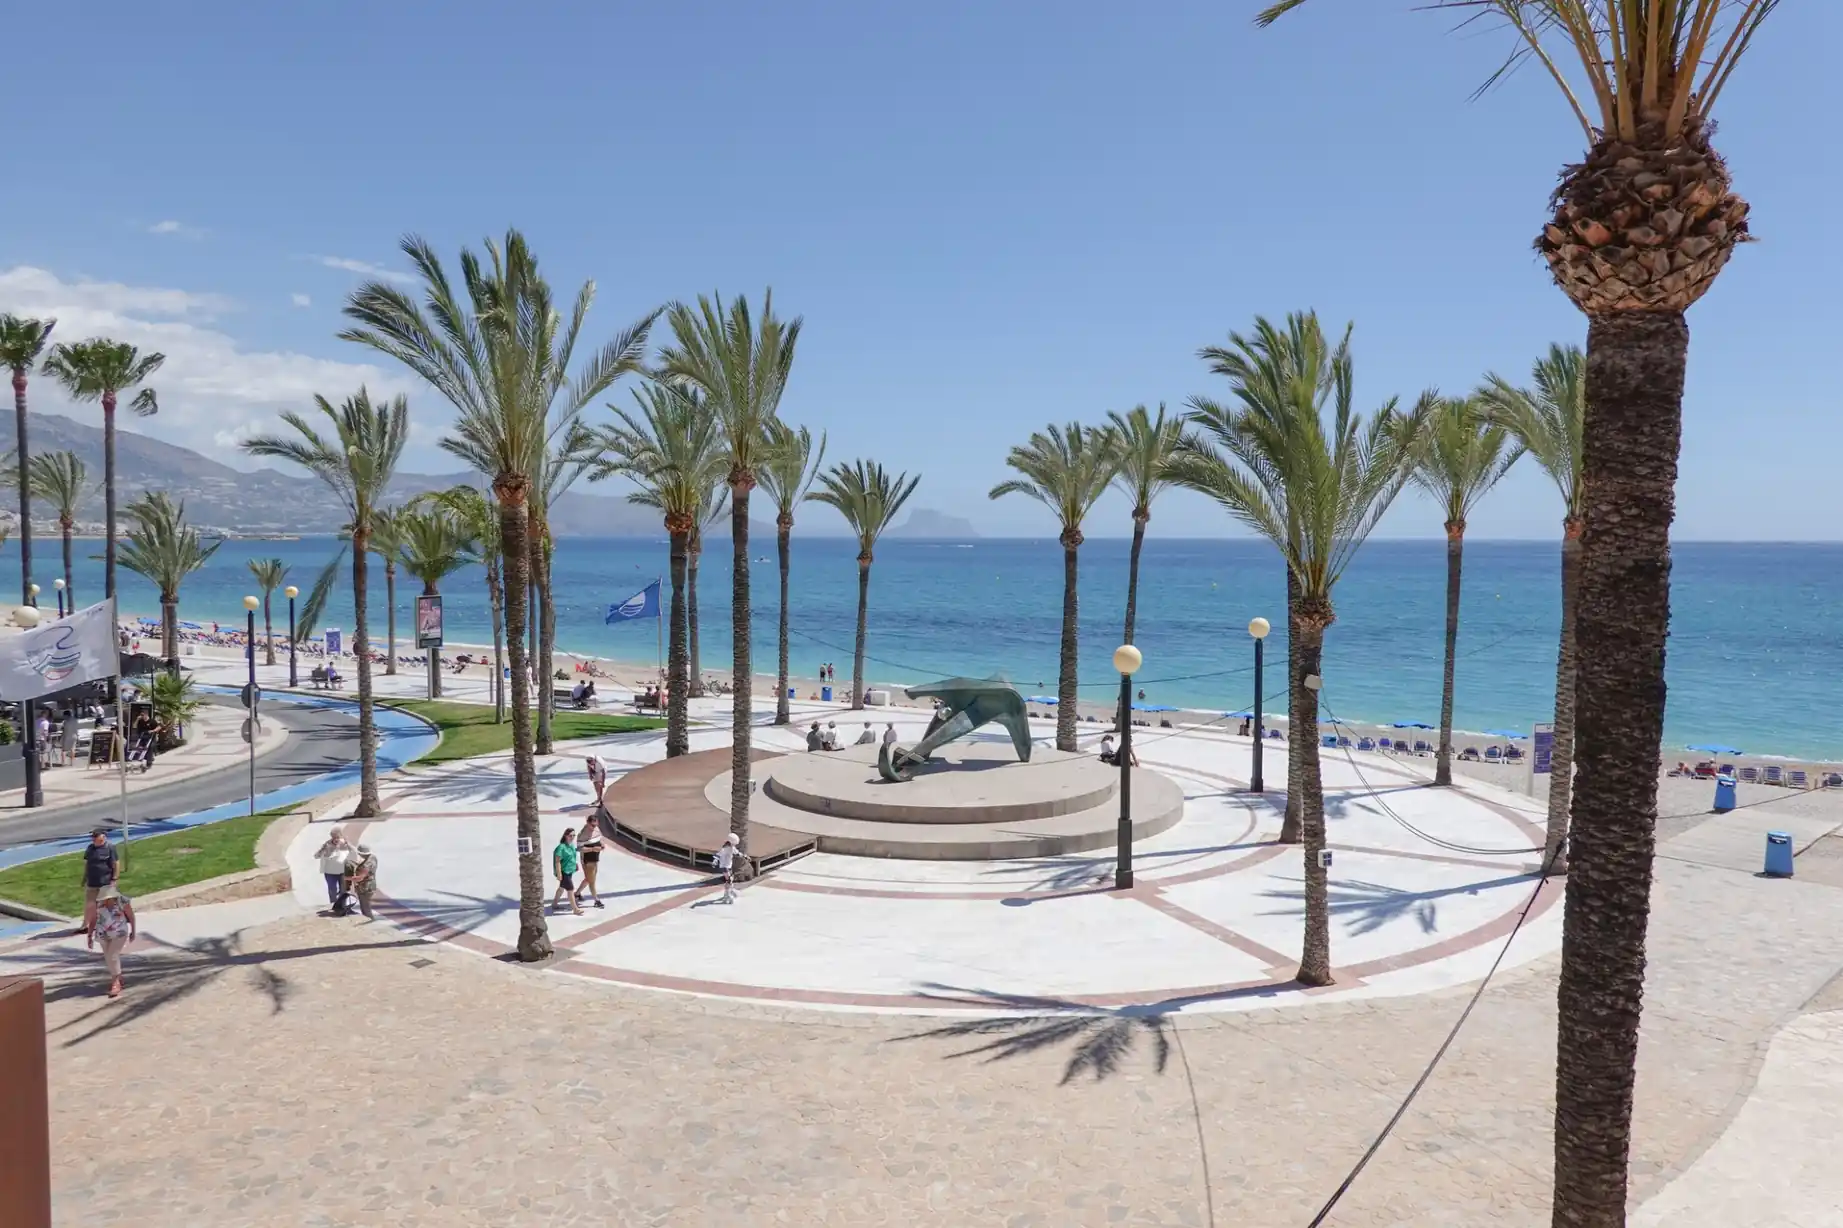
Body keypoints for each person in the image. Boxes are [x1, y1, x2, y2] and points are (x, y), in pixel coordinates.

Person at [88, 884, 136, 999]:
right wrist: (89, 936)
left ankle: (115, 983)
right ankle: (118, 976)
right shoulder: (98, 903)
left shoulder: (122, 901)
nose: (107, 900)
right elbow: (93, 919)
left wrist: (133, 931)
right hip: (103, 933)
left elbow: (131, 916)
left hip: (119, 932)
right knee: (108, 958)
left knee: (112, 956)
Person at [80, 827, 119, 935]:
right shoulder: (90, 848)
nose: (93, 838)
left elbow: (116, 864)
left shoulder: (110, 848)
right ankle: (86, 925)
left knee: (107, 905)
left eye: (96, 836)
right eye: (93, 836)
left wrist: (114, 878)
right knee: (89, 904)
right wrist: (84, 878)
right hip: (92, 882)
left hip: (106, 882)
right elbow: (87, 864)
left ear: (103, 836)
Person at [314, 827, 353, 910]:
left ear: (341, 836)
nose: (336, 839)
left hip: (342, 872)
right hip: (330, 872)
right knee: (332, 890)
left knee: (343, 890)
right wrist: (325, 851)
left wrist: (348, 845)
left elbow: (354, 853)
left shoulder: (345, 844)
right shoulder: (327, 844)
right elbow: (316, 856)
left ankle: (343, 906)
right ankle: (334, 906)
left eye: (337, 837)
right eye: (334, 837)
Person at [550, 828, 583, 915]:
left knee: (561, 888)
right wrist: (559, 873)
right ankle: (575, 909)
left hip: (569, 871)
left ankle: (554, 904)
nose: (572, 837)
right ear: (565, 836)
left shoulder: (571, 845)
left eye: (573, 835)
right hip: (564, 872)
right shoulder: (561, 847)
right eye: (570, 835)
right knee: (570, 889)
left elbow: (572, 857)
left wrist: (575, 865)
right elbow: (557, 861)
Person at [577, 812, 606, 909]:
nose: (594, 827)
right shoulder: (582, 835)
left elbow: (600, 839)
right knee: (592, 881)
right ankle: (596, 900)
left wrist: (602, 845)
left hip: (595, 858)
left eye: (595, 825)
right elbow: (579, 849)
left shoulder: (596, 829)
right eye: (592, 825)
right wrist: (593, 849)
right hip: (588, 860)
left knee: (589, 878)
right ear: (587, 823)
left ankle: (577, 893)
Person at [346, 843, 379, 920]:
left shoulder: (366, 865)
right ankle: (369, 920)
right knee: (366, 907)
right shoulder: (373, 857)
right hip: (371, 885)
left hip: (365, 888)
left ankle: (369, 921)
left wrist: (345, 878)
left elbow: (359, 878)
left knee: (365, 909)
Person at [713, 831, 739, 904]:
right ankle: (727, 895)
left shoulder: (732, 847)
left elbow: (737, 853)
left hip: (729, 865)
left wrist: (745, 856)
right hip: (724, 866)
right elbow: (718, 855)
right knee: (729, 880)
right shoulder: (725, 848)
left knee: (731, 879)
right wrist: (715, 861)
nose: (735, 845)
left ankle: (729, 891)